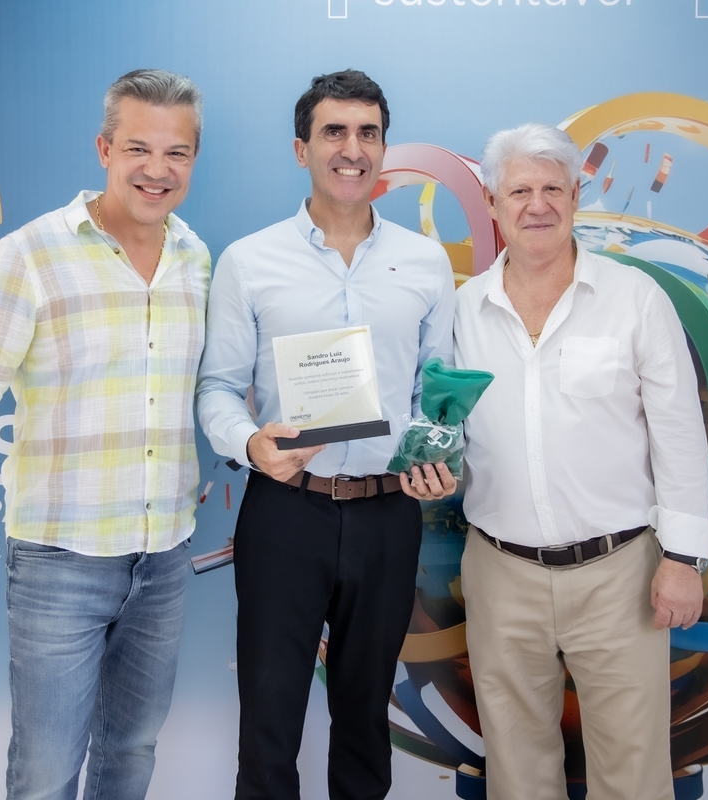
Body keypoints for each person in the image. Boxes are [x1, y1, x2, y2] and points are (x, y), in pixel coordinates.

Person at [0, 69, 209, 800]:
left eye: (176, 153)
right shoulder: (30, 256)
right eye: (138, 148)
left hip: (165, 556)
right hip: (60, 561)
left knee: (132, 753)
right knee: (46, 770)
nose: (157, 169)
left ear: (193, 160)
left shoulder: (195, 258)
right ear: (104, 149)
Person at [196, 69, 457, 800]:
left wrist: (438, 452)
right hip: (286, 510)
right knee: (269, 716)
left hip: (388, 511)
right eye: (334, 132)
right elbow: (217, 389)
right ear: (301, 149)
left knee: (367, 716)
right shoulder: (250, 261)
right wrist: (251, 444)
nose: (352, 148)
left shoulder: (426, 263)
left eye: (368, 133)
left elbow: (436, 392)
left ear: (384, 148)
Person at [454, 123, 708, 800]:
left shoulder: (635, 298)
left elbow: (679, 433)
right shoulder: (461, 311)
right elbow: (445, 430)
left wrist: (683, 560)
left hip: (622, 573)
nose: (537, 205)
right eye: (520, 190)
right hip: (499, 572)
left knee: (633, 773)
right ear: (492, 202)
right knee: (516, 772)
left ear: (577, 195)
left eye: (553, 189)